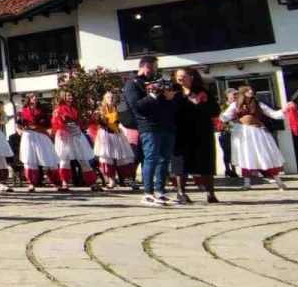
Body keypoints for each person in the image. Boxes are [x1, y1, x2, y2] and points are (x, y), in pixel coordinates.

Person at [124, 57, 179, 207]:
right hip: (149, 126)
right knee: (151, 158)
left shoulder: (159, 81)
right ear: (147, 66)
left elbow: (171, 105)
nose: (156, 69)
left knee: (164, 159)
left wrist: (170, 97)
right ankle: (148, 193)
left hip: (166, 125)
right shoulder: (132, 84)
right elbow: (137, 106)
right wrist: (153, 95)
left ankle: (160, 192)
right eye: (155, 66)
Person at [220, 85, 288, 191]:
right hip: (243, 132)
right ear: (242, 93)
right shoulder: (235, 105)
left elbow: (274, 114)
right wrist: (215, 115)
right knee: (246, 156)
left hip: (258, 132)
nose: (251, 91)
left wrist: (285, 109)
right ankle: (247, 183)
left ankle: (279, 181)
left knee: (265, 155)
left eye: (251, 89)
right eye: (247, 90)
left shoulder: (258, 104)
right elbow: (225, 117)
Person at [171, 68, 219, 204]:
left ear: (191, 77)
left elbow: (215, 111)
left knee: (206, 161)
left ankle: (210, 193)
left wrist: (199, 104)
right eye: (177, 76)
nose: (180, 78)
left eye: (183, 76)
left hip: (201, 131)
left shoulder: (202, 91)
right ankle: (181, 193)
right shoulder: (173, 92)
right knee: (181, 163)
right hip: (180, 131)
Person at [52, 90, 100, 192]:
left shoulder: (74, 109)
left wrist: (91, 119)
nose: (70, 97)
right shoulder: (58, 109)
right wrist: (64, 127)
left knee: (83, 159)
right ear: (63, 97)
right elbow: (55, 122)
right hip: (65, 136)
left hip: (77, 135)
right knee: (65, 160)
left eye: (71, 95)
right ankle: (64, 183)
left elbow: (82, 123)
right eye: (68, 95)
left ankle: (92, 182)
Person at [93, 91, 137, 190]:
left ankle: (129, 179)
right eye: (108, 97)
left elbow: (126, 118)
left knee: (123, 155)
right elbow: (96, 121)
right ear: (104, 99)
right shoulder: (101, 110)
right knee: (107, 156)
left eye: (112, 97)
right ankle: (111, 180)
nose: (110, 99)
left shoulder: (119, 108)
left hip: (117, 133)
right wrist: (98, 119)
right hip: (105, 134)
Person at [17, 93, 58, 192]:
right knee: (29, 158)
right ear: (28, 99)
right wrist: (21, 131)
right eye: (32, 97)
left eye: (35, 97)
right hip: (29, 136)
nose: (35, 98)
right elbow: (19, 125)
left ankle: (55, 182)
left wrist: (49, 130)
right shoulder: (23, 111)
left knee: (48, 156)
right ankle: (31, 183)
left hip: (41, 134)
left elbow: (48, 123)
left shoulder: (42, 110)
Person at [218, 88, 239, 179]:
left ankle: (234, 170)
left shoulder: (239, 105)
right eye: (234, 95)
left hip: (238, 131)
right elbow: (222, 118)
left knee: (235, 152)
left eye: (236, 95)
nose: (236, 96)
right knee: (227, 152)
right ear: (228, 95)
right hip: (227, 131)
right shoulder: (223, 106)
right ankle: (228, 170)